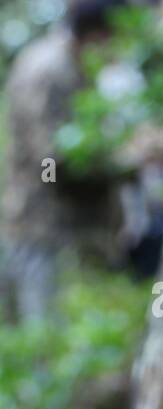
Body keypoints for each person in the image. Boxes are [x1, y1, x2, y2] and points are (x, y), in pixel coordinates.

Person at [1, 0, 137, 323]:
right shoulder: (48, 71)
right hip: (41, 232)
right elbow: (49, 163)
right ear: (99, 35)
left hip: (69, 234)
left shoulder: (75, 67)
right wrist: (125, 160)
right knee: (47, 348)